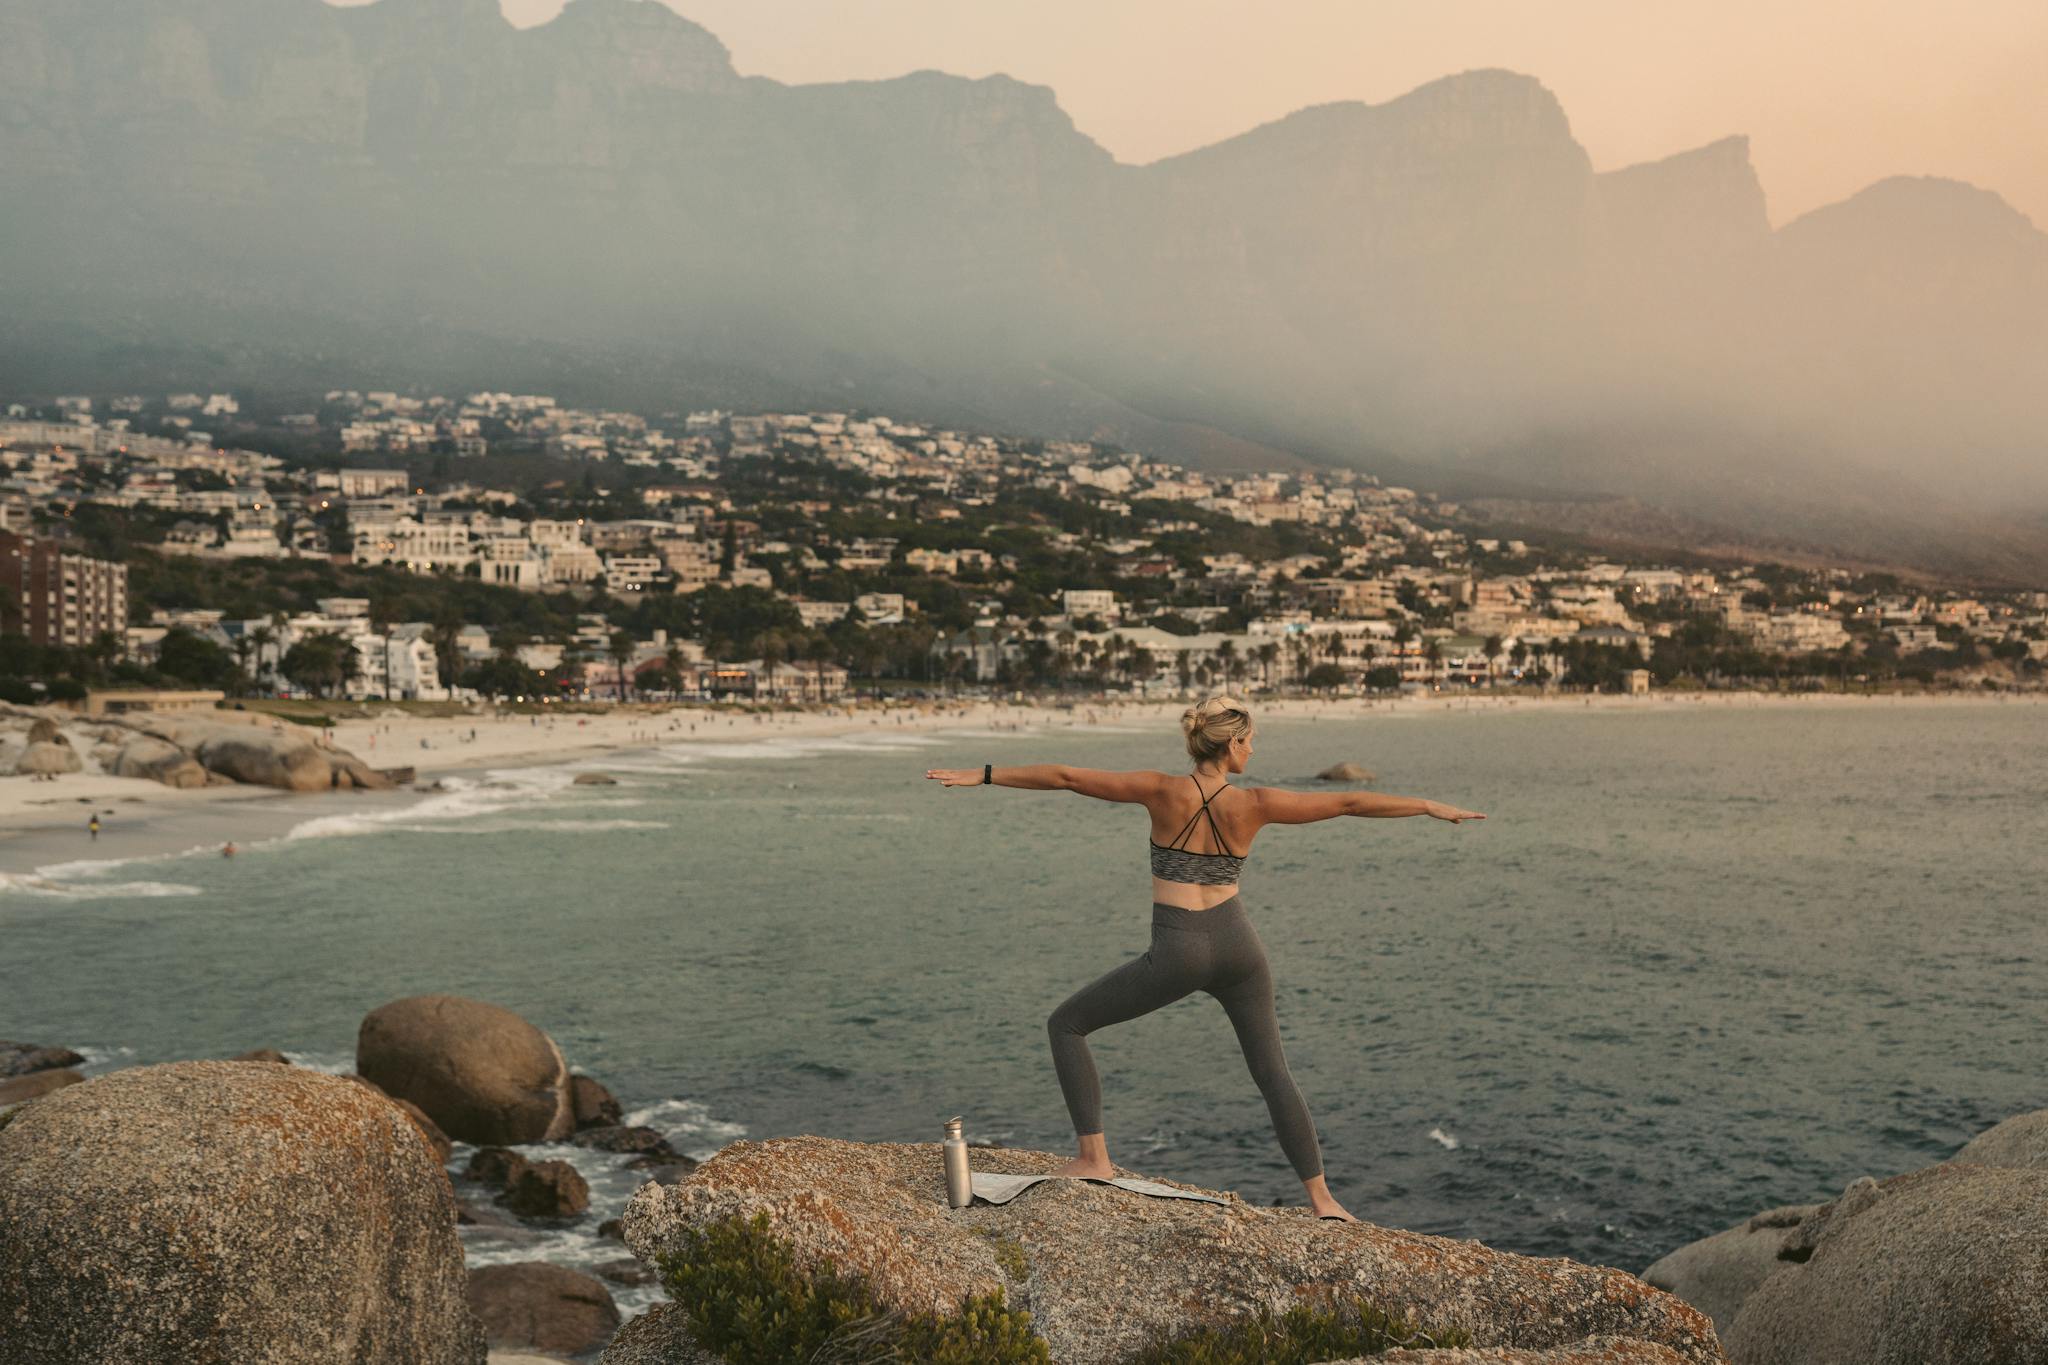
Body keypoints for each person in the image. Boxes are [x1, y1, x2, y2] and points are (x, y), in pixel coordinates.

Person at [925, 695, 1484, 1222]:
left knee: (1066, 1024)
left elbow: (1069, 778)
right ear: (1232, 744)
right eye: (1251, 741)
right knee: (1272, 1072)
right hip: (1240, 946)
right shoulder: (1257, 804)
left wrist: (986, 774)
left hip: (1179, 949)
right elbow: (1349, 802)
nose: (1253, 751)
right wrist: (1428, 807)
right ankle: (1322, 1199)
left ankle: (1093, 1157)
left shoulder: (1161, 790)